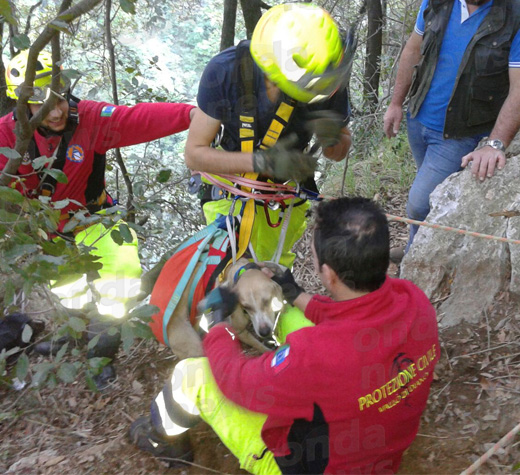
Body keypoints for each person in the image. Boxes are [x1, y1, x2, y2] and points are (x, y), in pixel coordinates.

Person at [130, 197, 440, 474]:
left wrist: (220, 324)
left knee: (191, 375)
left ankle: (162, 440)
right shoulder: (413, 298)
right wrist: (298, 296)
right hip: (382, 447)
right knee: (289, 316)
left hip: (313, 466)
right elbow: (353, 317)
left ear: (328, 273)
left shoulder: (313, 356)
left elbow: (235, 380)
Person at [1, 49, 195, 387]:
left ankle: (102, 353)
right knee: (69, 292)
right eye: (45, 105)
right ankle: (77, 333)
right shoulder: (6, 136)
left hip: (98, 220)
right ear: (23, 106)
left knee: (117, 293)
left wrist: (192, 115)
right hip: (49, 235)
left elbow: (137, 119)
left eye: (60, 98)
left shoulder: (89, 118)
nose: (58, 110)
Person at [184, 2, 354, 267]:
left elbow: (338, 152)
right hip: (227, 193)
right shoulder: (225, 72)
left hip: (282, 200)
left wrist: (333, 138)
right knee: (227, 274)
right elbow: (194, 155)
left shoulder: (324, 76)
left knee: (270, 281)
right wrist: (261, 162)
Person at [383, 0, 520, 255]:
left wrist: (495, 143)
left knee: (418, 204)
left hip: (460, 133)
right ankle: (417, 243)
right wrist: (396, 103)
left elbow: (519, 89)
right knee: (430, 196)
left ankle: (415, 260)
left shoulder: (513, 15)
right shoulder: (437, 3)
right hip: (419, 118)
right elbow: (413, 49)